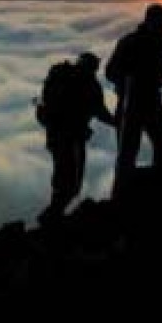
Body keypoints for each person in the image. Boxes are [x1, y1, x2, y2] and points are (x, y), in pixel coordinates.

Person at [105, 4, 162, 193]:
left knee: (157, 148)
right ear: (150, 20)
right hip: (132, 103)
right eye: (159, 20)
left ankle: (147, 189)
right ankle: (124, 194)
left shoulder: (147, 42)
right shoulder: (138, 42)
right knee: (132, 153)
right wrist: (125, 80)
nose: (160, 24)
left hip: (144, 102)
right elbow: (111, 71)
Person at [36, 51, 115, 226]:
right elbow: (100, 111)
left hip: (55, 135)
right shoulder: (89, 84)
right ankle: (52, 217)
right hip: (72, 137)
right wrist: (117, 122)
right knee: (71, 180)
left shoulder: (61, 75)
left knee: (63, 175)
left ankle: (53, 214)